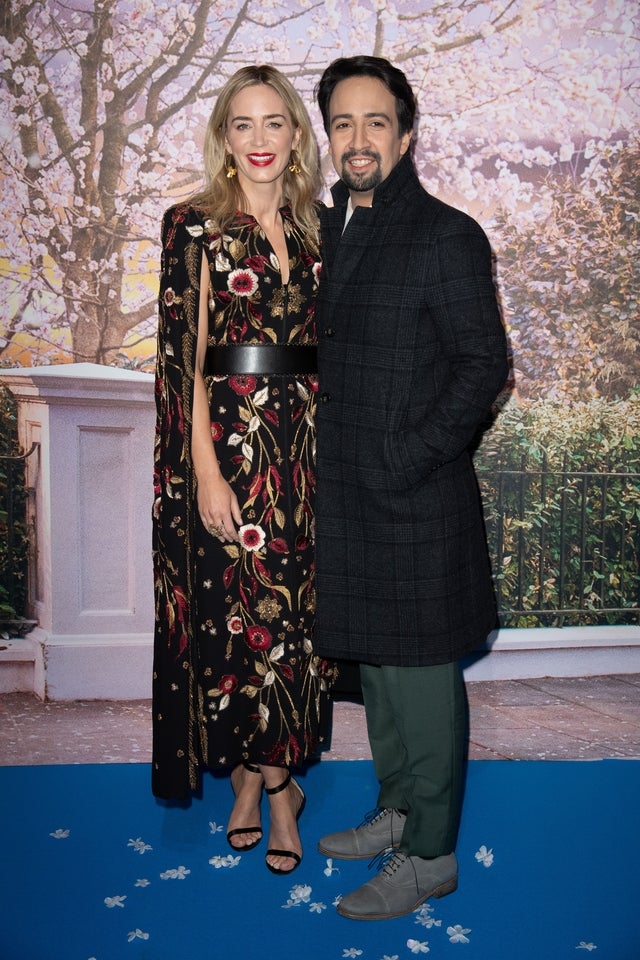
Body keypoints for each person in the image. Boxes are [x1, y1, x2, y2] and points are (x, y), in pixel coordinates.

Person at [313, 56, 509, 919]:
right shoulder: (330, 232)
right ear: (330, 137)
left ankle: (431, 856)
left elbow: (483, 367)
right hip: (350, 502)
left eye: (376, 122)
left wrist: (406, 456)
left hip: (415, 500)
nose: (359, 140)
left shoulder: (445, 233)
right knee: (384, 679)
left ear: (407, 133)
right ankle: (399, 812)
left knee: (423, 686)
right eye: (344, 124)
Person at [152, 64, 336, 876]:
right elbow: (182, 363)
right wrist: (206, 473)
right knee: (235, 621)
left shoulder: (325, 228)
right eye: (243, 124)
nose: (260, 141)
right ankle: (243, 781)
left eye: (275, 123)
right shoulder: (192, 225)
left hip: (313, 453)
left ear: (296, 135)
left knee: (298, 624)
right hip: (229, 447)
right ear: (224, 138)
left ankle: (283, 782)